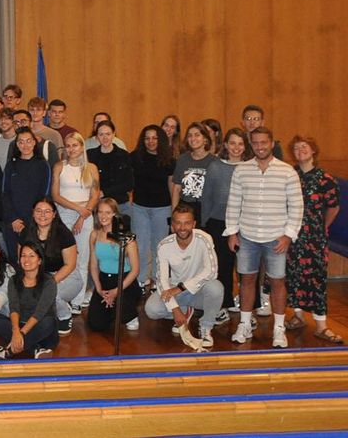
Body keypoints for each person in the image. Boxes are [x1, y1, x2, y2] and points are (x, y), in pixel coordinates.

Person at [226, 126, 303, 348]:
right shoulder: (241, 170)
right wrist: (232, 232)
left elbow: (297, 207)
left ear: (272, 144)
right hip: (247, 236)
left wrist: (288, 236)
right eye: (256, 143)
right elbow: (234, 203)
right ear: (251, 145)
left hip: (276, 238)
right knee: (247, 280)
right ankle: (244, 324)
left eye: (264, 143)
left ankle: (279, 329)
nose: (260, 147)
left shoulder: (287, 171)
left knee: (278, 282)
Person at [284, 135, 342, 343]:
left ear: (313, 151)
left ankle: (321, 325)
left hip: (314, 236)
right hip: (292, 234)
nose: (300, 151)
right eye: (297, 148)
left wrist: (321, 227)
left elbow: (334, 207)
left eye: (304, 147)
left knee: (316, 278)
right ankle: (298, 316)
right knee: (294, 275)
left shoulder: (326, 179)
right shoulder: (289, 175)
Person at [145, 203, 221, 350]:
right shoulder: (164, 245)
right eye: (178, 223)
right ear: (172, 225)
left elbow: (212, 271)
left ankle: (206, 328)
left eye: (187, 223)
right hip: (175, 290)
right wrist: (175, 309)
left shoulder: (204, 239)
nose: (182, 227)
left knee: (216, 288)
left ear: (194, 224)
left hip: (197, 289)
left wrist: (181, 288)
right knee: (151, 310)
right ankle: (184, 309)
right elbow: (162, 281)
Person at [198, 127, 250, 323]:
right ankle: (223, 305)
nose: (236, 147)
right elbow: (207, 198)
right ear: (226, 145)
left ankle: (248, 310)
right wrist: (204, 224)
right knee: (222, 267)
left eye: (240, 143)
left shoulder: (250, 167)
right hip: (218, 223)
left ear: (245, 147)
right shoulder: (215, 167)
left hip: (246, 224)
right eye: (232, 143)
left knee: (247, 269)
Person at [0, 243, 59, 360]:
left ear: (39, 260)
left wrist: (21, 334)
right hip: (20, 325)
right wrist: (16, 331)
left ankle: (7, 352)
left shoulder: (49, 282)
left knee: (49, 322)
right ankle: (36, 349)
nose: (26, 259)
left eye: (31, 256)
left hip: (41, 329)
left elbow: (39, 313)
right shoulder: (14, 280)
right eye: (23, 255)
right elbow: (14, 308)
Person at [52, 132, 99, 312]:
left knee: (83, 258)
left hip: (86, 215)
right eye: (68, 145)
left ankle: (78, 300)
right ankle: (65, 296)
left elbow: (95, 194)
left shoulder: (92, 168)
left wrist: (83, 214)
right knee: (67, 258)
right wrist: (77, 210)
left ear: (81, 147)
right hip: (65, 213)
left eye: (75, 145)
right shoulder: (60, 167)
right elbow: (55, 195)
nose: (71, 149)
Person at [20, 199, 81, 334]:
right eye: (39, 211)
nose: (43, 215)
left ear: (54, 214)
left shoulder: (63, 233)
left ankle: (65, 315)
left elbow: (70, 265)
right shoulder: (26, 233)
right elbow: (23, 261)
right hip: (39, 275)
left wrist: (48, 283)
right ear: (33, 213)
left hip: (67, 275)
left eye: (47, 211)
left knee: (50, 293)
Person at [130, 124, 175, 290]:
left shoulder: (169, 160)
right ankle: (142, 279)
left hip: (162, 209)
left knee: (160, 246)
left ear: (160, 140)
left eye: (154, 138)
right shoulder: (135, 157)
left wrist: (173, 210)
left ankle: (159, 280)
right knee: (141, 246)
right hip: (140, 208)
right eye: (147, 138)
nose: (150, 141)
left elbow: (172, 186)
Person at [86, 198, 141, 333]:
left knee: (124, 314)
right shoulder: (94, 235)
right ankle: (111, 311)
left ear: (115, 214)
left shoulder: (127, 238)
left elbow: (135, 270)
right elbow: (93, 265)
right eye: (100, 212)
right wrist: (98, 289)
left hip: (124, 280)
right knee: (96, 325)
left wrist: (116, 291)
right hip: (105, 279)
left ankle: (130, 314)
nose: (103, 216)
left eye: (108, 212)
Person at [171, 122, 218, 221]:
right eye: (190, 136)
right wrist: (174, 215)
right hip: (185, 208)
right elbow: (176, 189)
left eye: (197, 135)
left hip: (205, 209)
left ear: (205, 139)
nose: (193, 139)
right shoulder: (182, 159)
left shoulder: (214, 161)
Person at [89, 120, 134, 215]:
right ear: (97, 137)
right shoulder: (90, 155)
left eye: (108, 134)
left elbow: (129, 184)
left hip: (121, 205)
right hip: (99, 205)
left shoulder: (124, 155)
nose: (105, 138)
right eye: (101, 134)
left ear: (114, 134)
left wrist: (104, 192)